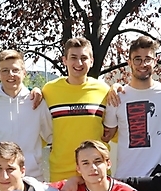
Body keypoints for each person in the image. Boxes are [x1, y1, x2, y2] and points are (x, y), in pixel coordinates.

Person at [101, 36, 161, 178]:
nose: (143, 64)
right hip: (127, 178)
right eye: (137, 59)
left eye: (148, 59)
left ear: (155, 61)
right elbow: (105, 136)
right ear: (129, 62)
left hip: (160, 178)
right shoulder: (117, 97)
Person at [42, 37, 110, 181]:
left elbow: (112, 130)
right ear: (64, 60)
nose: (79, 63)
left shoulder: (104, 90)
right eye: (73, 57)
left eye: (84, 58)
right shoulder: (49, 90)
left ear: (91, 61)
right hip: (61, 173)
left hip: (95, 173)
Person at [0, 49, 53, 180]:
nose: (10, 75)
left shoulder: (37, 102)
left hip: (32, 176)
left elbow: (51, 136)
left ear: (24, 72)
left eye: (15, 70)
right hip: (0, 178)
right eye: (5, 70)